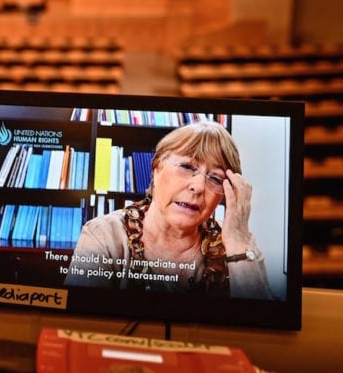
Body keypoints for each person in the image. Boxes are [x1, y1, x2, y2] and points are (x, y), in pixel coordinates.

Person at [65, 120, 274, 299]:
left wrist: (238, 242)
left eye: (216, 178)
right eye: (187, 167)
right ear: (156, 170)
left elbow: (263, 328)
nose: (198, 186)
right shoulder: (104, 235)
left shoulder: (239, 243)